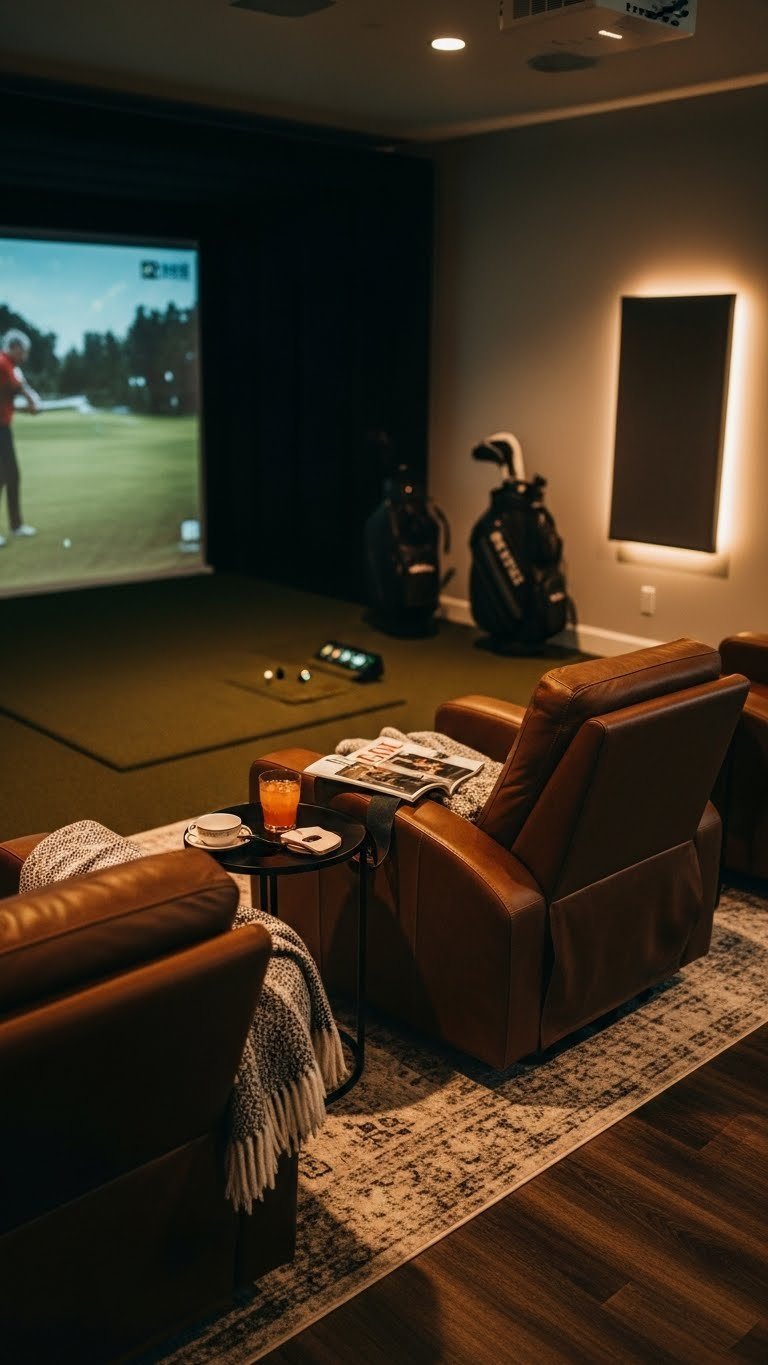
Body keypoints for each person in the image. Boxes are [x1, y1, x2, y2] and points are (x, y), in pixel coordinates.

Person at [0, 328, 41, 546]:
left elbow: (8, 401)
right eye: (23, 351)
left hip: (3, 428)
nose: (25, 356)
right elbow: (20, 389)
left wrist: (29, 407)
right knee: (4, 476)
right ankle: (15, 526)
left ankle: (16, 526)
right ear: (14, 347)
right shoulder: (3, 363)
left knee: (11, 476)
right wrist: (33, 402)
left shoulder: (10, 367)